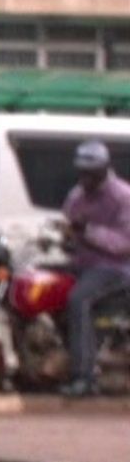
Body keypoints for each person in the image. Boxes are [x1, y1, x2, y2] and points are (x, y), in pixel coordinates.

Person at [59, 139, 130, 397]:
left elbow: (124, 243)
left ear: (104, 169)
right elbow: (68, 222)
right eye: (81, 171)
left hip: (114, 268)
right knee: (41, 283)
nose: (84, 177)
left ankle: (84, 376)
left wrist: (88, 232)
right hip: (82, 262)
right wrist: (64, 235)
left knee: (79, 300)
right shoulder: (77, 194)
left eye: (90, 172)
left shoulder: (123, 197)